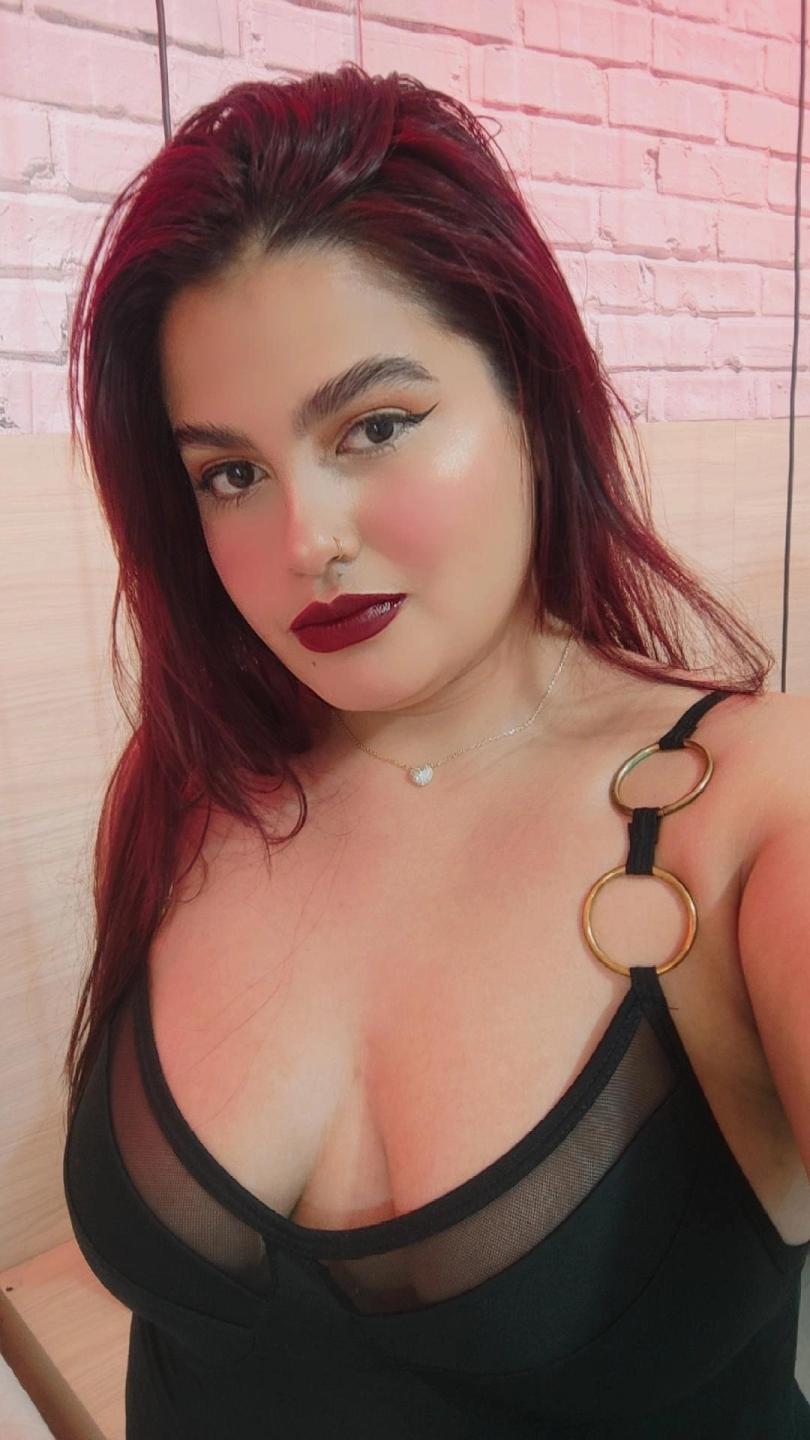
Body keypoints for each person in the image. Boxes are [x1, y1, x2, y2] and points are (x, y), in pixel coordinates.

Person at [61, 64, 809, 1438]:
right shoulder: (181, 794)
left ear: (530, 395)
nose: (307, 540)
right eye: (232, 472)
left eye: (376, 426)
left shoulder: (758, 815)